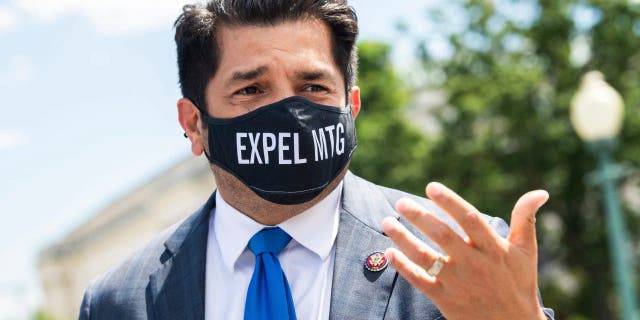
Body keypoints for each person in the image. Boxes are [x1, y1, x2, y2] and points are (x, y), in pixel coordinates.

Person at [78, 1, 555, 319]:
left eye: (313, 87)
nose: (289, 113)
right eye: (251, 89)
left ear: (353, 107)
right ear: (193, 124)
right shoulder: (118, 301)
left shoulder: (466, 262)